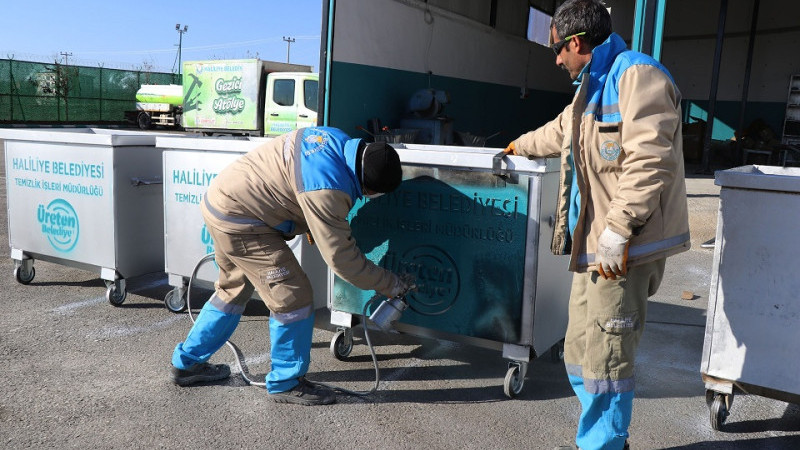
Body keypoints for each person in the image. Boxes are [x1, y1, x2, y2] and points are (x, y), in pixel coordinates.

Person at [503, 1, 690, 448]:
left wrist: (619, 229)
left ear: (575, 43)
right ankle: (601, 435)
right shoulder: (591, 85)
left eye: (557, 51)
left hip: (621, 250)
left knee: (608, 358)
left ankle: (605, 443)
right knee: (580, 351)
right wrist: (517, 146)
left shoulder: (637, 76)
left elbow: (649, 161)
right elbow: (560, 131)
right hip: (592, 249)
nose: (556, 60)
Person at [170, 127, 411, 406]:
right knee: (293, 297)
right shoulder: (328, 189)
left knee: (231, 290)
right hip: (243, 220)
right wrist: (390, 284)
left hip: (222, 200)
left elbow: (292, 179)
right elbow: (343, 261)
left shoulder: (334, 140)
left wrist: (309, 220)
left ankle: (187, 363)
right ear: (369, 189)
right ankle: (286, 382)